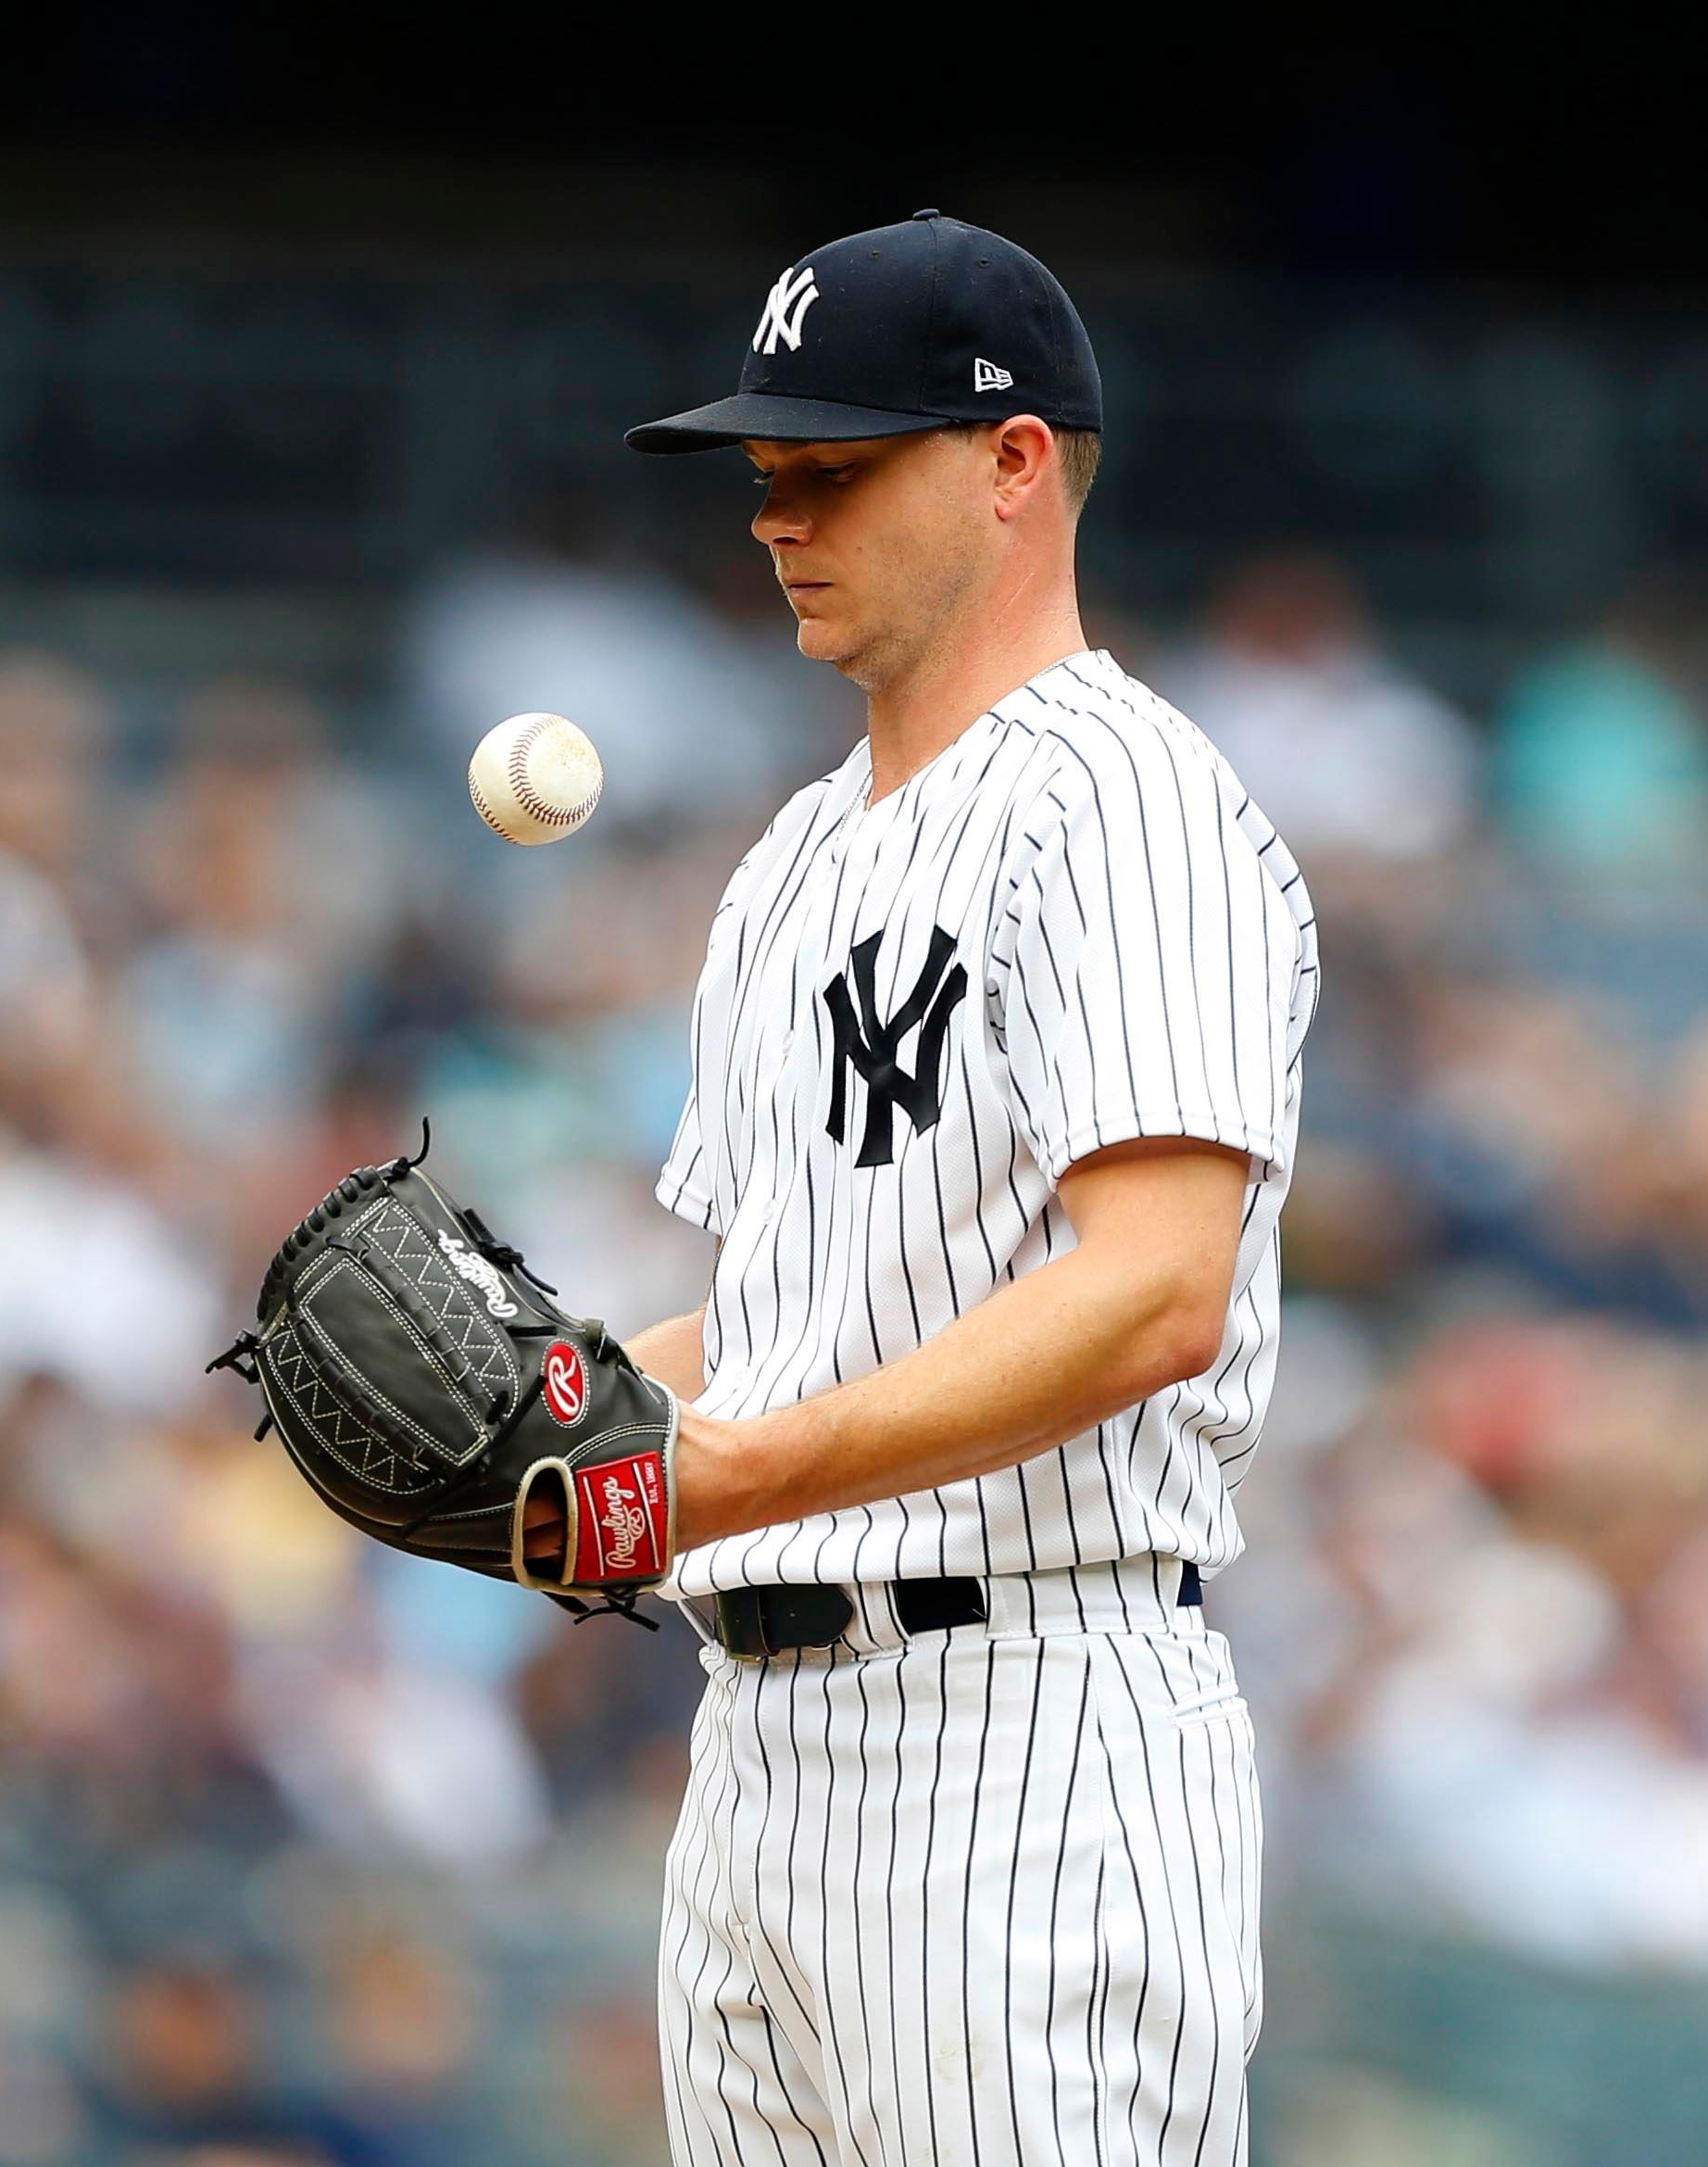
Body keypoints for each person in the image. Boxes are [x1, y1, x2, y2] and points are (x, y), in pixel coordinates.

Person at [611, 211, 1321, 2165]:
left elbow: (1155, 1287)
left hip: (1025, 1733)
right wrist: (558, 1410)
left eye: (833, 461)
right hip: (757, 1755)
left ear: (1014, 465)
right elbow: (776, 1322)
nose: (778, 509)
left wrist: (736, 1473)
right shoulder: (789, 859)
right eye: (764, 469)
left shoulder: (1123, 800)